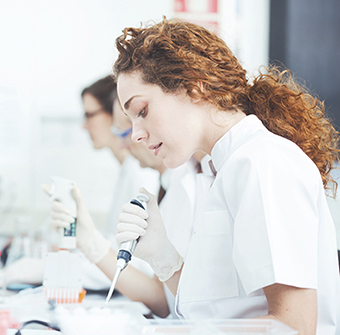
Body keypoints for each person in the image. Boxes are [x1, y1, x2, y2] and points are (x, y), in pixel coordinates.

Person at [113, 18, 340, 334]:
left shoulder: (263, 163)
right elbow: (218, 310)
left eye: (142, 111)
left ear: (194, 86)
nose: (135, 134)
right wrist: (165, 259)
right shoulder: (220, 169)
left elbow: (294, 327)